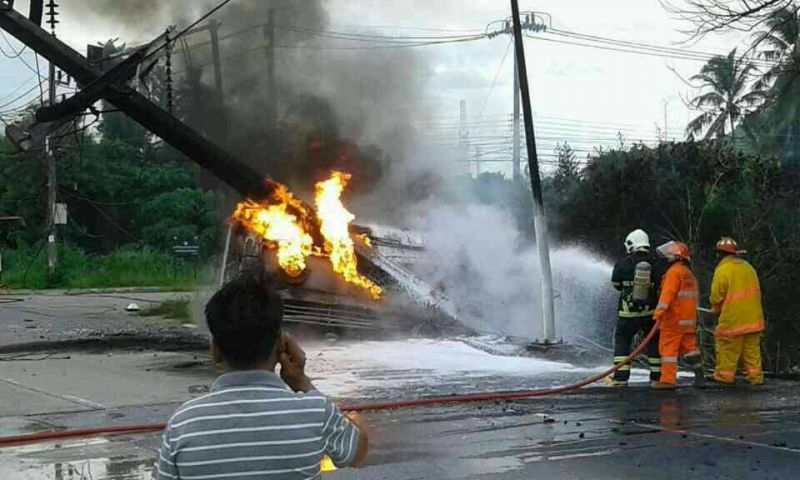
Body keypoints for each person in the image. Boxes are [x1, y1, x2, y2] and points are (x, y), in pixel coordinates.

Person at [156, 273, 369, 479]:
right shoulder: (315, 411)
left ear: (215, 351)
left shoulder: (182, 424)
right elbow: (356, 454)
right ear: (281, 346)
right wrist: (300, 381)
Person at [609, 229, 664, 387]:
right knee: (653, 343)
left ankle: (620, 378)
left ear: (631, 244)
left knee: (623, 342)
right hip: (651, 313)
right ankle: (656, 377)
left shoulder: (622, 263)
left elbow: (616, 285)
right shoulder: (655, 263)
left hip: (628, 313)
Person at [709, 237, 765, 385]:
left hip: (733, 320)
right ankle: (755, 378)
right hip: (754, 320)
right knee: (752, 352)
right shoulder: (748, 267)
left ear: (719, 254)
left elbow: (716, 296)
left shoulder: (722, 270)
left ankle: (724, 377)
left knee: (727, 349)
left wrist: (715, 309)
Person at [651, 241, 704, 389]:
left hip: (673, 321)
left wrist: (658, 313)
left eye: (670, 255)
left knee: (668, 351)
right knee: (690, 349)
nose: (667, 258)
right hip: (688, 322)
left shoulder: (673, 272)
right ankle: (700, 377)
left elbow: (667, 294)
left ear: (677, 257)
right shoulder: (689, 274)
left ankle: (668, 381)